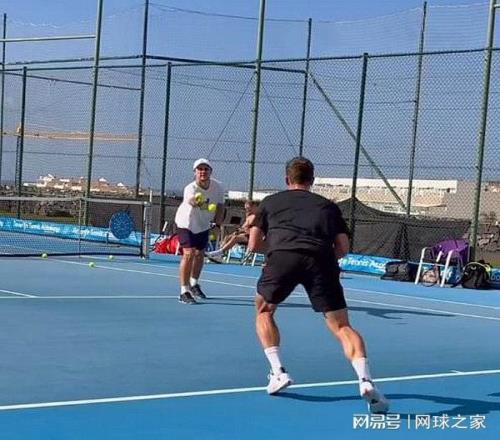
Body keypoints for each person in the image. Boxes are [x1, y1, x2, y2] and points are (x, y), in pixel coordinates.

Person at [248, 157, 389, 413]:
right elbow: (343, 248)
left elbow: (254, 244)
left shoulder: (269, 202)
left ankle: (278, 371)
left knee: (264, 310)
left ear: (287, 179)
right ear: (312, 180)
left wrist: (279, 249)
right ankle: (365, 380)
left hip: (282, 258)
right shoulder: (328, 207)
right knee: (342, 326)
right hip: (322, 260)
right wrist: (320, 257)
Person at [174, 158, 225, 304]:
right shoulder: (190, 188)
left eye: (206, 169)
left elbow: (220, 206)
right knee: (189, 253)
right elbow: (191, 201)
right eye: (200, 169)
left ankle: (194, 283)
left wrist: (217, 225)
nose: (203, 172)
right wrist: (198, 202)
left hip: (203, 225)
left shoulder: (218, 187)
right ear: (195, 172)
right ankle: (184, 291)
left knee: (200, 254)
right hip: (186, 223)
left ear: (210, 172)